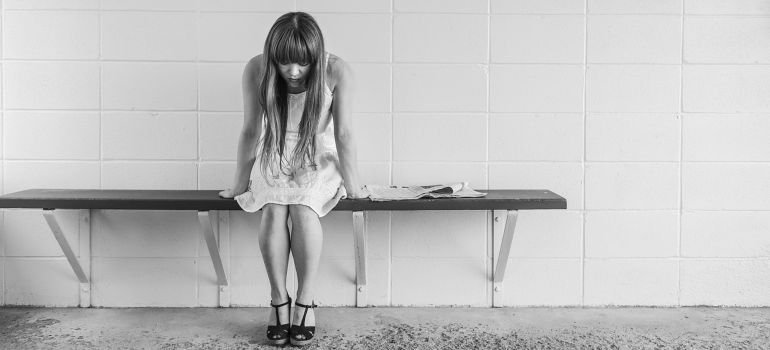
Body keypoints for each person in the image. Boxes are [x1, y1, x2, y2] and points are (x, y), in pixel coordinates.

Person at [218, 12, 367, 347]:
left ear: (316, 56)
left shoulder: (337, 71)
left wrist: (354, 186)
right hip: (274, 153)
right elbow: (250, 130)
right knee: (273, 207)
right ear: (273, 57)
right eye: (285, 63)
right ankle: (278, 301)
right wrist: (238, 185)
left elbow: (343, 134)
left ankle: (305, 301)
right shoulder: (256, 69)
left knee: (302, 208)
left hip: (318, 156)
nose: (294, 72)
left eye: (303, 63)